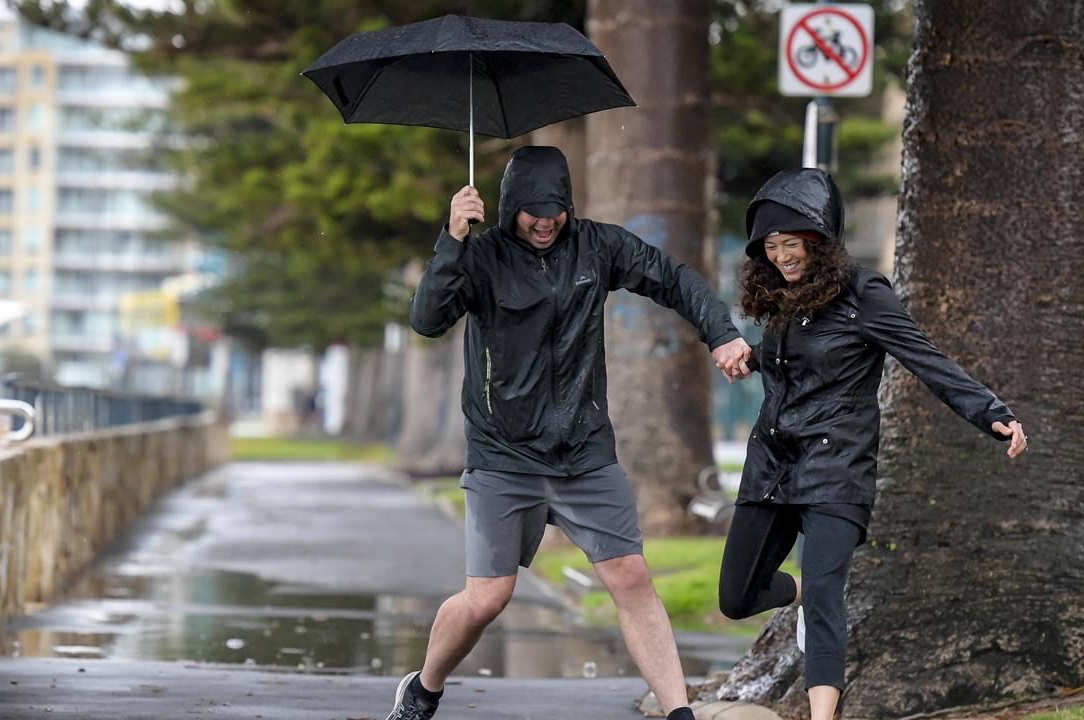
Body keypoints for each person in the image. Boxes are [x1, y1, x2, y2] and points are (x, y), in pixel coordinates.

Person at [384, 145, 753, 720]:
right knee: (488, 597)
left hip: (584, 450)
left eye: (555, 207)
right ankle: (424, 689)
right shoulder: (481, 257)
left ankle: (680, 714)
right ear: (510, 208)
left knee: (631, 577)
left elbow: (672, 278)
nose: (545, 220)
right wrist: (452, 240)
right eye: (532, 209)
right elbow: (427, 320)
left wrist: (721, 333)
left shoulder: (597, 246)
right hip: (503, 454)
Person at [718, 168, 1027, 720]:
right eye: (772, 247)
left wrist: (990, 412)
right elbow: (798, 363)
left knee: (825, 593)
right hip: (772, 464)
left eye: (793, 244)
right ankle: (801, 592)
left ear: (820, 243)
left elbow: (924, 358)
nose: (783, 256)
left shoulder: (865, 294)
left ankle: (823, 714)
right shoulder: (782, 300)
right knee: (736, 597)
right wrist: (752, 355)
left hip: (836, 465)